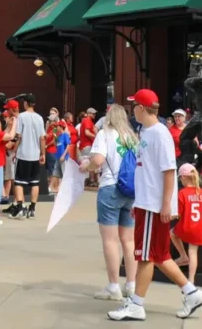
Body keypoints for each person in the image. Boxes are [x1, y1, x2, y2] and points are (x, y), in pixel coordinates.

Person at [106, 89, 202, 322]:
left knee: (145, 256)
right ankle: (192, 293)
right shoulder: (148, 131)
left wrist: (164, 205)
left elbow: (168, 171)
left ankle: (136, 304)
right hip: (147, 203)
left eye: (134, 106)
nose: (133, 110)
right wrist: (140, 202)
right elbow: (148, 171)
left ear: (142, 108)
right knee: (159, 255)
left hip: (153, 205)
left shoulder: (158, 134)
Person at [85, 102, 138, 301]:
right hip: (131, 190)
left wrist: (87, 166)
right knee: (129, 240)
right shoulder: (132, 137)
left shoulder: (104, 134)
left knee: (110, 240)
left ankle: (113, 286)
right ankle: (131, 284)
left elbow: (98, 160)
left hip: (110, 187)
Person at [172, 163, 202, 286]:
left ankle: (183, 256)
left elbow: (178, 213)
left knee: (172, 234)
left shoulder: (182, 193)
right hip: (199, 227)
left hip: (186, 225)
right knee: (193, 252)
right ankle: (191, 280)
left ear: (184, 178)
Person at [7, 94, 46, 219]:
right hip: (35, 154)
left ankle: (20, 207)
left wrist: (15, 150)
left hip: (23, 154)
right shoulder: (40, 118)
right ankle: (32, 208)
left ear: (25, 103)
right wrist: (43, 153)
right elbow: (42, 138)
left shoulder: (22, 117)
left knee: (19, 182)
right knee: (35, 182)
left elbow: (18, 136)